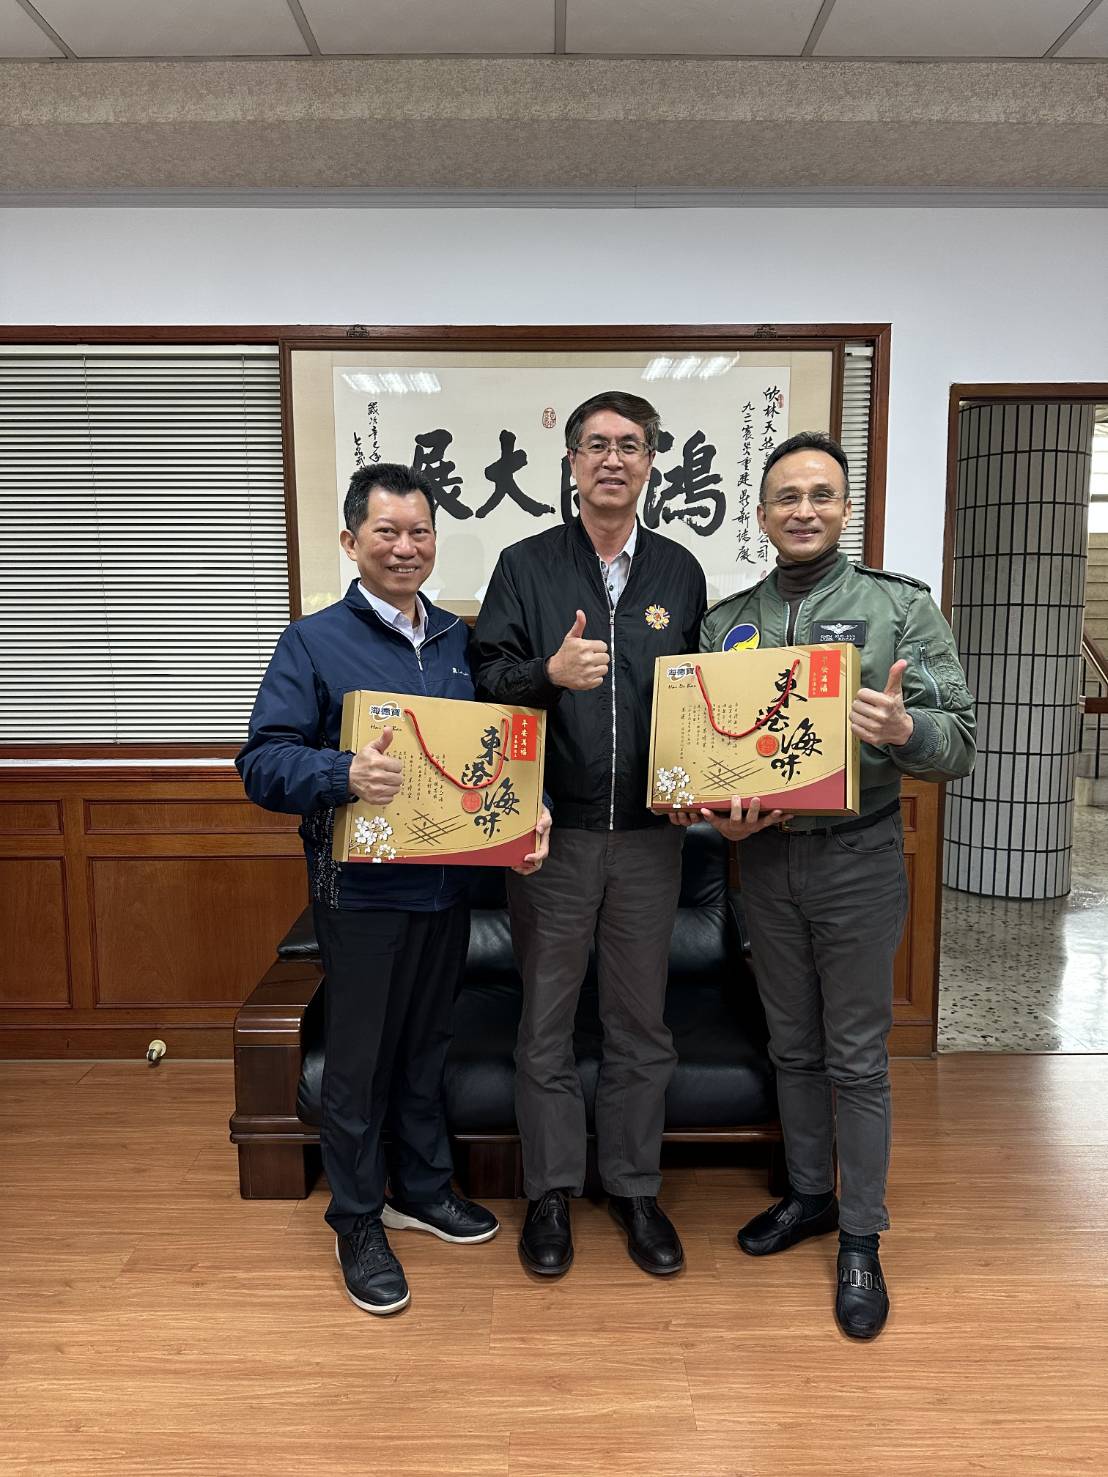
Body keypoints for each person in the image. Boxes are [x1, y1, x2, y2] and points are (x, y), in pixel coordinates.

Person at [236, 463, 549, 1316]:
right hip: (362, 895)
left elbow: (492, 750)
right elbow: (261, 762)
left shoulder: (455, 639)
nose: (405, 547)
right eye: (387, 532)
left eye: (419, 532)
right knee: (360, 1062)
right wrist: (342, 771)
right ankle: (357, 1217)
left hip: (446, 889)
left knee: (426, 1047)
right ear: (352, 541)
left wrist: (530, 811)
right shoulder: (312, 642)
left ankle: (422, 1188)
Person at [681, 430, 975, 1339]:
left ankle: (861, 1234)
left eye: (821, 495)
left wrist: (904, 729)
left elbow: (960, 742)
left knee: (856, 1056)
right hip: (765, 862)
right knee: (793, 1045)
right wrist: (721, 819)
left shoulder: (899, 607)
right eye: (787, 497)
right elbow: (710, 752)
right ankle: (810, 1194)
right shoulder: (728, 621)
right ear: (761, 514)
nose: (804, 510)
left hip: (859, 855)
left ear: (845, 508)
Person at [471, 391, 707, 1278]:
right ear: (571, 462)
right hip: (551, 837)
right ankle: (551, 1192)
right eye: (597, 444)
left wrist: (698, 785)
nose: (613, 458)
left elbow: (701, 693)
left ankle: (635, 1188)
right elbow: (487, 679)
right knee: (546, 1022)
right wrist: (549, 671)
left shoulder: (679, 570)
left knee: (641, 1022)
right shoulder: (525, 564)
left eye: (630, 445)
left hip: (650, 838)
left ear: (650, 463)